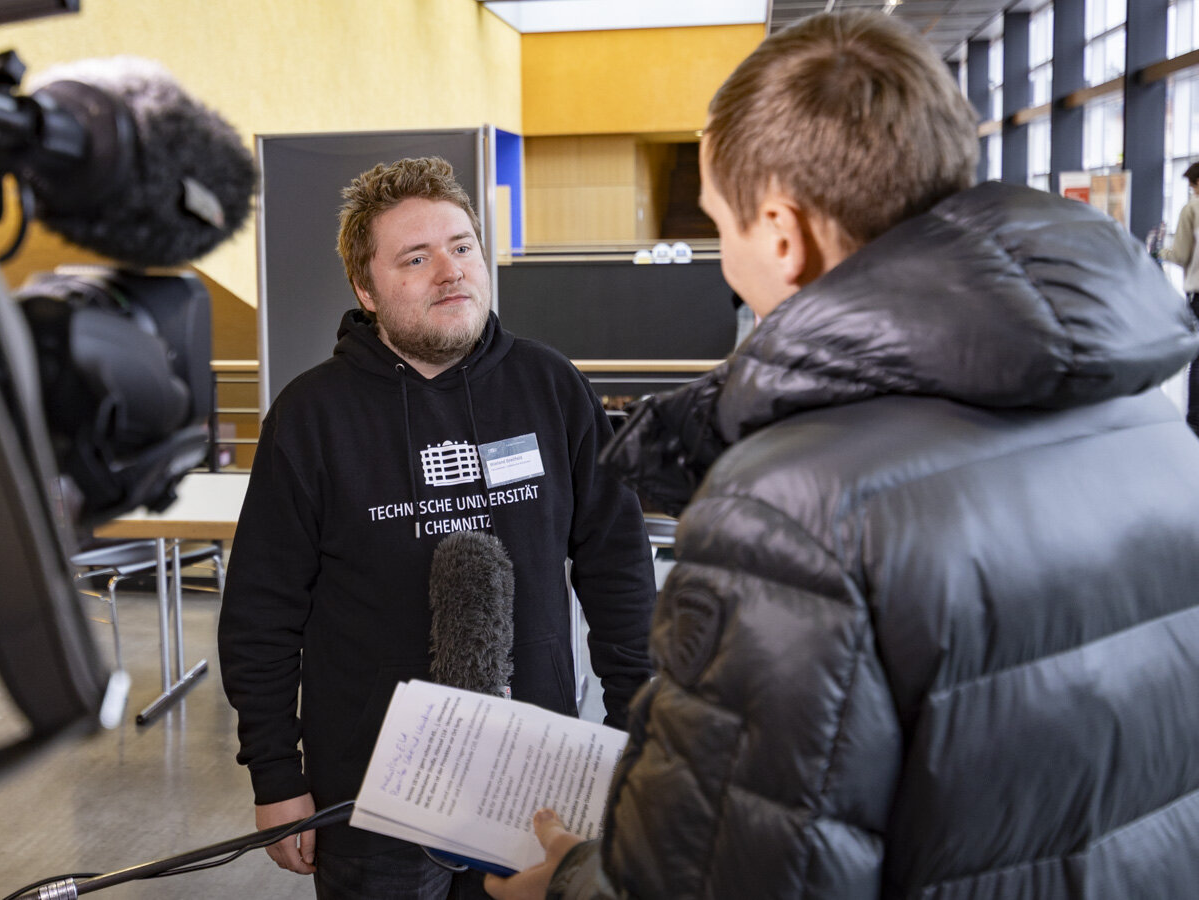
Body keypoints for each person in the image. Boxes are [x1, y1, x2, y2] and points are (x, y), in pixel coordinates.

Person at [488, 10, 1199, 900]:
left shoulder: (792, 507)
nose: (724, 260)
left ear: (781, 233)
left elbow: (735, 876)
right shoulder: (1147, 419)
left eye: (721, 224)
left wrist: (570, 882)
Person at [218, 157, 656, 899]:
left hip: (532, 777)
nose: (451, 271)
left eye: (461, 247)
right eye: (416, 258)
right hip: (367, 790)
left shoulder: (552, 387)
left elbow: (619, 573)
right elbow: (262, 609)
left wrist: (634, 735)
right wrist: (276, 772)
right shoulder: (311, 415)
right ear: (366, 290)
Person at [1159, 161, 1199, 433]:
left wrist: (1159, 251)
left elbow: (1181, 255)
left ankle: (1195, 420)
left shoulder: (1192, 208)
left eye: (1193, 185)